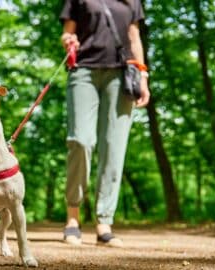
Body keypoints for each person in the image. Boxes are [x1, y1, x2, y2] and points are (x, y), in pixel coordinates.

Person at [60, 0, 150, 247]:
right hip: (83, 71)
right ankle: (73, 218)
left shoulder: (132, 1)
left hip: (122, 73)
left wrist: (143, 75)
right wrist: (68, 41)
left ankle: (104, 223)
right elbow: (68, 31)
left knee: (114, 146)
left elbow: (134, 36)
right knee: (80, 140)